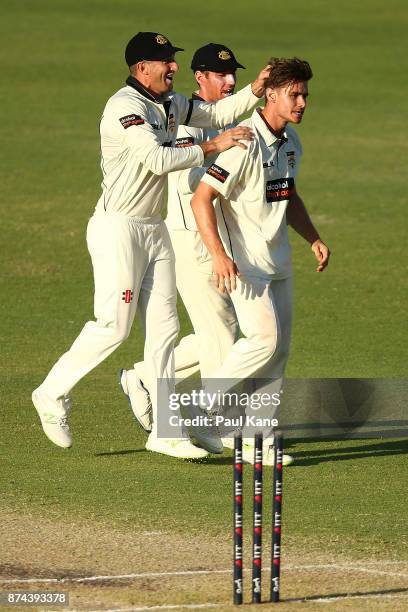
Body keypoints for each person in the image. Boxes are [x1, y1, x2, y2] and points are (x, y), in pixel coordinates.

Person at [31, 31, 271, 460]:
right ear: (142, 68)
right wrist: (212, 146)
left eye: (172, 60)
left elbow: (217, 113)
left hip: (153, 228)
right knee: (114, 326)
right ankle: (50, 393)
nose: (174, 68)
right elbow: (157, 159)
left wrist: (257, 89)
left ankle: (165, 430)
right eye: (165, 62)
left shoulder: (172, 103)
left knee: (165, 332)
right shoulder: (124, 108)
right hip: (117, 228)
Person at [191, 57, 331, 464]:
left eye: (305, 95)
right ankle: (204, 408)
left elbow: (289, 197)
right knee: (263, 341)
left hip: (279, 261)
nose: (302, 102)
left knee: (279, 351)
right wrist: (219, 255)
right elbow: (203, 198)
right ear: (271, 94)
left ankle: (259, 438)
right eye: (294, 94)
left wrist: (313, 238)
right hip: (245, 263)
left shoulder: (291, 142)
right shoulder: (243, 142)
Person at [119, 43, 245, 450]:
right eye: (219, 74)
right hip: (187, 238)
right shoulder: (183, 126)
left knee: (219, 330)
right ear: (200, 78)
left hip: (217, 237)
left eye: (232, 74)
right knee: (222, 331)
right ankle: (227, 428)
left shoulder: (216, 122)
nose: (229, 82)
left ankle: (143, 376)